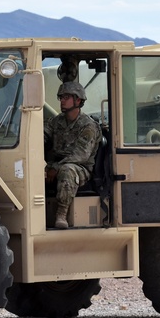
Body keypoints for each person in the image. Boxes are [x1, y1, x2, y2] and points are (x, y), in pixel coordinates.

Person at [44, 81, 101, 229]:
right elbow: (43, 135)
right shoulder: (57, 121)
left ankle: (61, 215)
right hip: (57, 164)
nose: (62, 100)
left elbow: (80, 155)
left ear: (78, 100)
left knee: (67, 170)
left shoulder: (88, 126)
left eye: (66, 97)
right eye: (61, 97)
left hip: (80, 168)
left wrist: (56, 167)